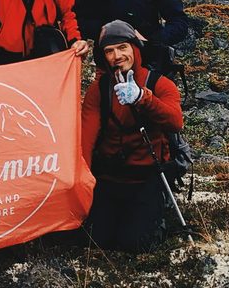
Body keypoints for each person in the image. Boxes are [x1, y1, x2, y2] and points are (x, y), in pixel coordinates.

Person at [78, 21, 185, 252]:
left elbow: (175, 121)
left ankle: (157, 214)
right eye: (109, 50)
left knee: (135, 243)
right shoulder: (99, 89)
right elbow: (86, 137)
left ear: (135, 49)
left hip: (147, 178)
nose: (117, 56)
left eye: (122, 47)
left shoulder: (159, 84)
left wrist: (142, 98)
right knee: (95, 240)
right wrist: (82, 183)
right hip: (109, 178)